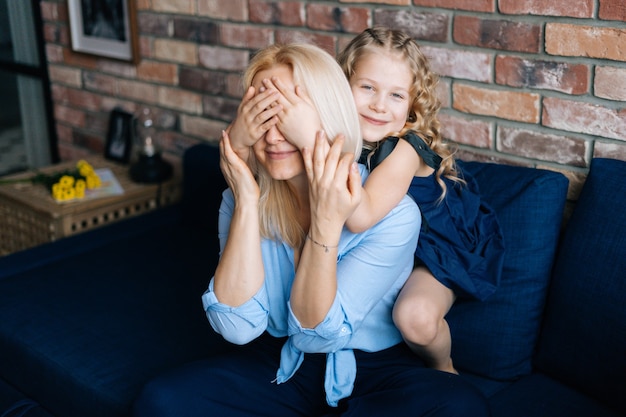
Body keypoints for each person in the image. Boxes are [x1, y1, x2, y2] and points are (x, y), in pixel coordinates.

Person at [133, 43, 489, 416]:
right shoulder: (240, 197)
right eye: (261, 117)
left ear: (327, 115)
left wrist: (324, 220)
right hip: (279, 362)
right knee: (161, 400)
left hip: (375, 370)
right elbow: (237, 328)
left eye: (287, 118)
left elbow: (316, 333)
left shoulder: (396, 213)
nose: (272, 138)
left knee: (462, 405)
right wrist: (247, 201)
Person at [334, 26, 506, 374]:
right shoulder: (341, 133)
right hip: (381, 243)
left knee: (415, 318)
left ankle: (446, 369)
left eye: (396, 95)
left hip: (433, 245)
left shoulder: (407, 149)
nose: (379, 105)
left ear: (412, 105)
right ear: (342, 85)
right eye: (367, 87)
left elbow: (359, 217)